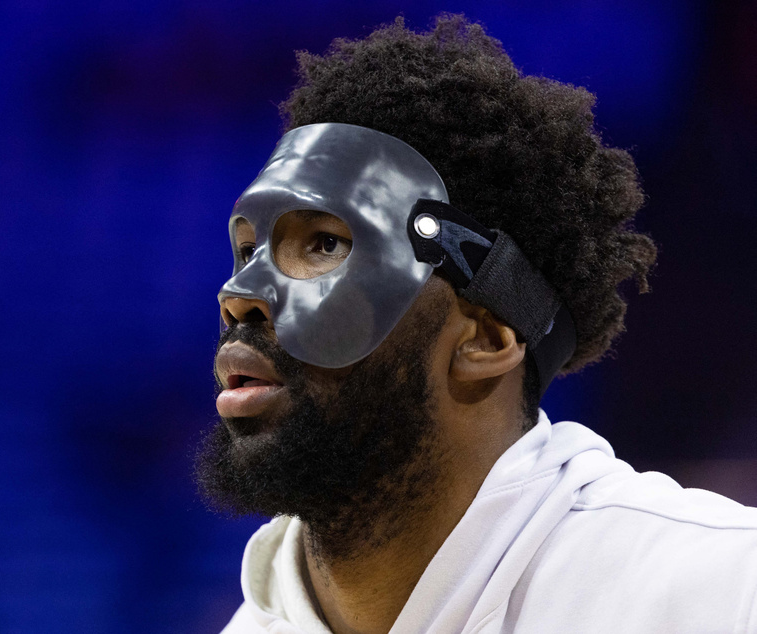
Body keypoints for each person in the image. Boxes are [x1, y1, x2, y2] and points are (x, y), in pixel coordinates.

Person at [194, 14, 757, 634]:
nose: (238, 294)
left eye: (324, 244)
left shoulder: (719, 590)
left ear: (487, 337)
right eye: (247, 250)